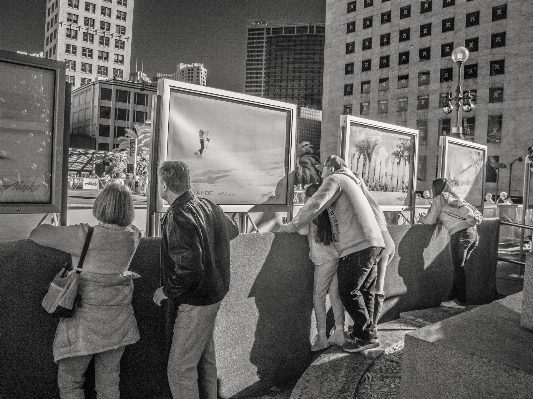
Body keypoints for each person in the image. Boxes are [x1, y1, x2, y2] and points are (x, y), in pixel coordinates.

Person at [29, 183, 141, 399]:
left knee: (70, 382)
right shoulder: (133, 236)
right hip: (118, 322)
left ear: (101, 205)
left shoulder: (84, 236)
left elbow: (37, 233)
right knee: (109, 383)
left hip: (84, 323)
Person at [279, 155, 385, 353]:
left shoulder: (336, 179)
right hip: (375, 242)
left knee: (347, 291)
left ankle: (364, 335)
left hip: (357, 245)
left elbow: (315, 204)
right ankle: (368, 335)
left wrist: (292, 225)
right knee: (365, 291)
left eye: (323, 169)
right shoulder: (353, 182)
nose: (321, 173)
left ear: (331, 168)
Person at [153, 161, 239, 399]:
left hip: (196, 301)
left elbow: (190, 267)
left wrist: (167, 290)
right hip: (215, 295)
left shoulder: (178, 215)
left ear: (164, 184)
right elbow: (233, 231)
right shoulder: (207, 205)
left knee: (180, 370)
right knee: (205, 360)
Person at [297, 183, 346, 351]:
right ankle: (340, 332)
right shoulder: (331, 209)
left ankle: (322, 337)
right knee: (334, 296)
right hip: (336, 257)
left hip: (323, 260)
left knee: (318, 297)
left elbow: (301, 230)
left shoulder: (311, 212)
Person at [420, 178, 479, 308]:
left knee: (459, 268)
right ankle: (453, 299)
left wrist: (422, 218)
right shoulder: (452, 198)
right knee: (459, 268)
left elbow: (430, 220)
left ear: (436, 188)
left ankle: (460, 301)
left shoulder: (439, 199)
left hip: (460, 234)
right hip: (472, 234)